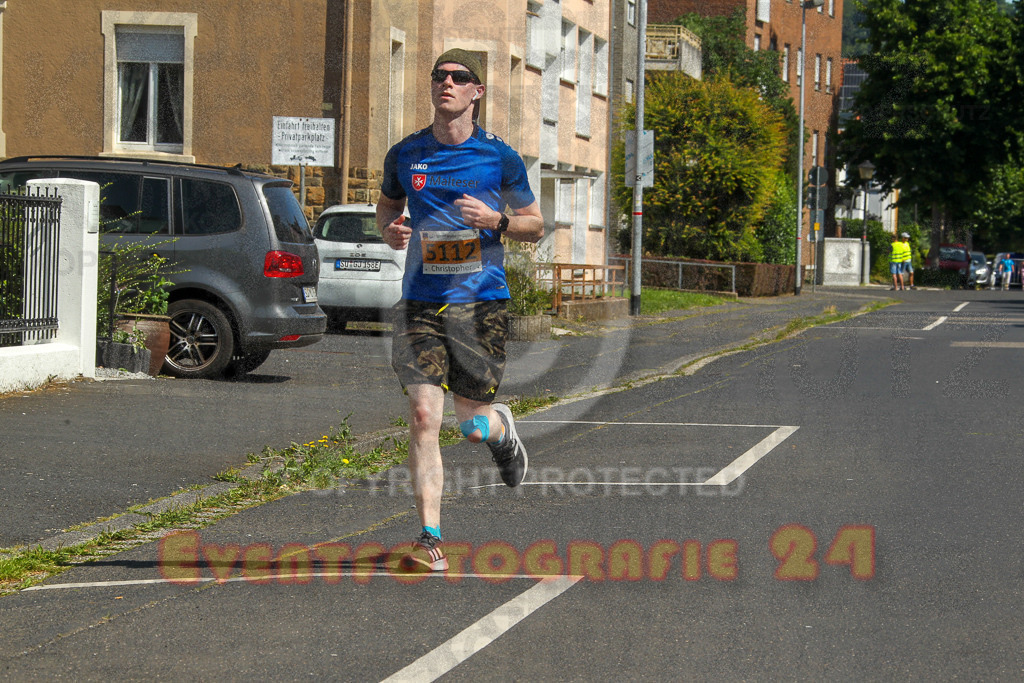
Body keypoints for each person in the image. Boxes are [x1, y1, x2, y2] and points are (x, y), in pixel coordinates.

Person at [376, 49, 544, 572]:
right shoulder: (406, 154)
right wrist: (391, 230)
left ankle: (501, 432)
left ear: (478, 92)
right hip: (420, 302)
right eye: (439, 77)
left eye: (459, 78)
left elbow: (534, 223)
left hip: (479, 303)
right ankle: (430, 539)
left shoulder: (499, 157)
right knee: (425, 416)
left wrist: (496, 220)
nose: (446, 83)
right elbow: (387, 206)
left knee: (471, 426)